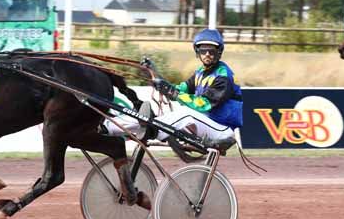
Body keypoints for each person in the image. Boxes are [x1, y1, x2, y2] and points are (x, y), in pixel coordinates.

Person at [102, 28, 242, 151]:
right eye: (203, 50)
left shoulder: (223, 76)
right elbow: (179, 89)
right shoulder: (200, 72)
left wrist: (173, 92)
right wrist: (154, 74)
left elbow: (203, 104)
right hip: (205, 124)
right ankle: (108, 127)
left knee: (186, 114)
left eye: (211, 50)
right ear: (197, 51)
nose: (207, 54)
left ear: (219, 52)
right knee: (146, 118)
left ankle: (152, 129)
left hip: (222, 131)